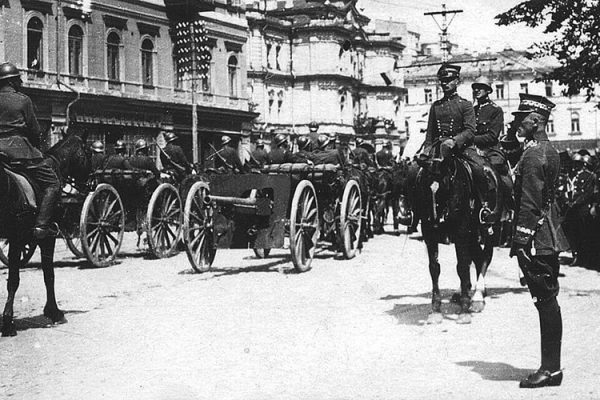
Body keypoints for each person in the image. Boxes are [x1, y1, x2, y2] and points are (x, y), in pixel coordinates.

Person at [510, 94, 568, 388]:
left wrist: (521, 241)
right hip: (549, 233)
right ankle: (551, 367)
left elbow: (530, 202)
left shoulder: (533, 155)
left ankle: (550, 369)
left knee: (545, 300)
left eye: (521, 119)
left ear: (535, 121)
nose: (516, 123)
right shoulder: (549, 150)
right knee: (547, 300)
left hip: (536, 236)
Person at [0, 62, 60, 239]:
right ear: (11, 82)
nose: (20, 83)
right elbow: (34, 130)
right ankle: (41, 226)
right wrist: (37, 147)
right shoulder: (23, 100)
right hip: (19, 152)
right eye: (18, 80)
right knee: (53, 183)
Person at [422, 63, 489, 205]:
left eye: (449, 80)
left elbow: (470, 130)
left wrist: (455, 140)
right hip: (438, 149)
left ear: (457, 81)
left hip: (461, 149)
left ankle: (484, 205)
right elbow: (430, 133)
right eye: (443, 81)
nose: (445, 83)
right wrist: (426, 150)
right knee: (414, 172)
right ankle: (415, 212)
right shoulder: (436, 106)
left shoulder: (465, 105)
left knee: (479, 169)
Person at [562, 152, 596, 266]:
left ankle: (584, 256)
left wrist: (576, 202)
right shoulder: (572, 175)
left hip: (583, 209)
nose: (576, 166)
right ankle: (575, 254)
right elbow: (568, 190)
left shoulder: (589, 176)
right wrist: (568, 200)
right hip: (572, 209)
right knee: (572, 232)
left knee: (583, 232)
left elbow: (588, 193)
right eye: (575, 163)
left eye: (578, 163)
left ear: (583, 164)